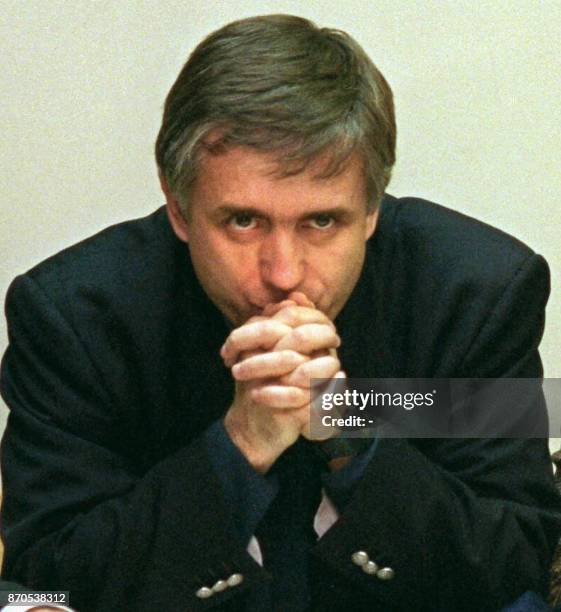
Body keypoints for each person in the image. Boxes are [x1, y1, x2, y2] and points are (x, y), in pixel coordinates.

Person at [1, 14, 560, 612]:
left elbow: (517, 557)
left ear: (372, 210)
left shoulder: (476, 292)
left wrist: (348, 424)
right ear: (179, 205)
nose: (284, 272)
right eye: (243, 221)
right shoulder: (72, 315)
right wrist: (239, 445)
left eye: (322, 221)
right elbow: (44, 580)